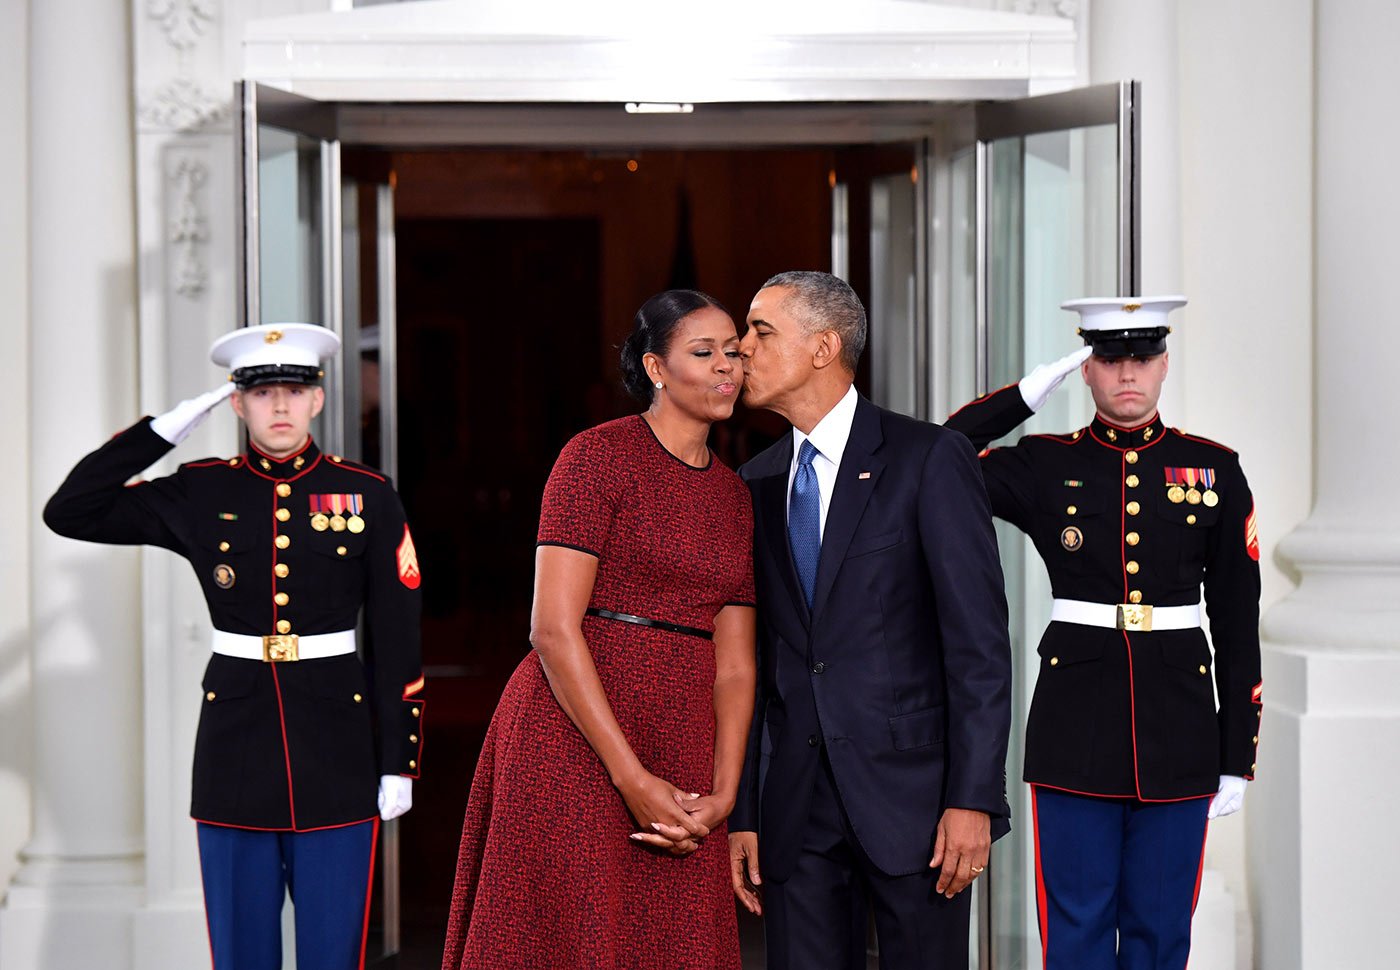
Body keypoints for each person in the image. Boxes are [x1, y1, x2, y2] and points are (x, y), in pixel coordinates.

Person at [43, 323, 424, 970]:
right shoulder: (201, 489)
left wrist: (398, 759)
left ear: (318, 400)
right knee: (242, 955)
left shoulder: (368, 494)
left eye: (294, 391)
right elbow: (70, 509)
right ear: (237, 403)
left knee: (333, 955)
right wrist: (164, 430)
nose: (279, 406)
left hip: (338, 747)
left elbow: (396, 633)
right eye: (262, 392)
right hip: (234, 747)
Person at [441, 290, 757, 970]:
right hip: (572, 735)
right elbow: (552, 629)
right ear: (657, 368)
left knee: (675, 941)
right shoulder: (595, 457)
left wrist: (724, 793)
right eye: (704, 353)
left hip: (684, 742)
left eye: (734, 351)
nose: (727, 366)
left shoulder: (736, 496)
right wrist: (632, 779)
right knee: (567, 937)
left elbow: (735, 665)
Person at [943, 296, 1262, 970]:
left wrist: (1237, 753)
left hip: (1181, 730)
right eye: (1109, 357)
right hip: (1073, 726)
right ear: (1086, 369)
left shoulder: (1215, 470)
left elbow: (1237, 622)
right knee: (1077, 929)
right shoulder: (1042, 464)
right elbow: (942, 458)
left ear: (1164, 365)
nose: (1127, 373)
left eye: (1142, 357)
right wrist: (1024, 395)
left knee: (1160, 931)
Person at [728, 270, 1013, 970]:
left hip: (919, 811)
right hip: (796, 813)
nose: (741, 349)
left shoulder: (927, 458)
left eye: (761, 332)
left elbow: (978, 649)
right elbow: (759, 663)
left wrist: (972, 799)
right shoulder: (755, 483)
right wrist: (746, 814)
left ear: (824, 347)